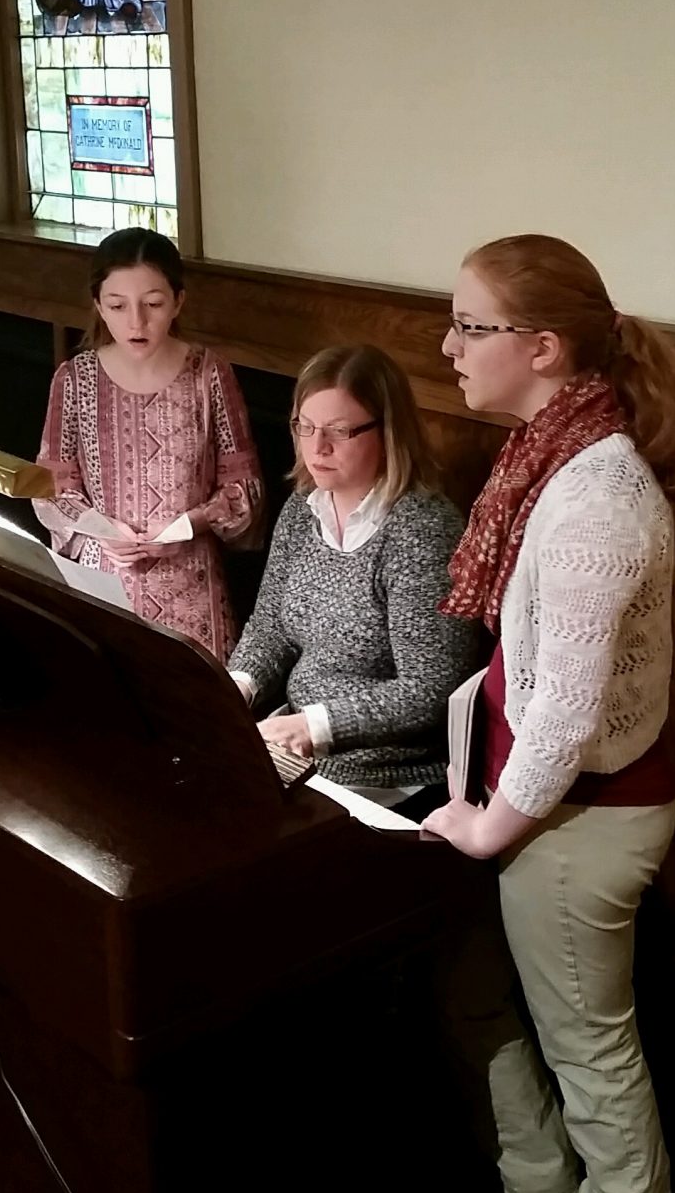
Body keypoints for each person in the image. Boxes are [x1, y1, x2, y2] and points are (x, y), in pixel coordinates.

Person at [422, 233, 675, 1193]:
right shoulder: (553, 450)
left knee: (590, 1045)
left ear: (543, 347)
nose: (449, 342)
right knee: (479, 996)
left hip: (580, 819)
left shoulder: (596, 495)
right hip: (552, 803)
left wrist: (488, 825)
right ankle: (545, 1192)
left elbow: (564, 710)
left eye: (471, 323)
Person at [228, 345, 479, 811]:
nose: (317, 447)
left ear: (387, 432)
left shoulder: (422, 529)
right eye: (305, 427)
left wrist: (314, 727)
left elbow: (430, 688)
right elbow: (270, 629)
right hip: (302, 757)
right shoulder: (302, 510)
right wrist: (236, 688)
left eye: (339, 431)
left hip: (390, 780)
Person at [34, 228, 262, 658]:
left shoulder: (210, 374)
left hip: (192, 588)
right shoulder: (75, 378)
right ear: (99, 305)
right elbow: (49, 486)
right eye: (118, 306)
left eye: (153, 304)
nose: (136, 322)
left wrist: (189, 523)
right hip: (103, 579)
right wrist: (99, 529)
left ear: (178, 301)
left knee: (196, 715)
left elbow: (243, 489)